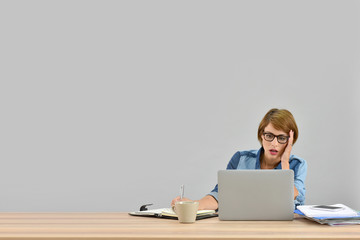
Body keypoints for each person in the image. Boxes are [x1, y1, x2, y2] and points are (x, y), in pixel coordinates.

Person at [171, 108, 307, 210]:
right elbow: (220, 195)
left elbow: (296, 198)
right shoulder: (240, 158)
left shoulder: (297, 165)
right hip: (241, 226)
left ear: (290, 141)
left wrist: (284, 163)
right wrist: (194, 205)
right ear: (261, 135)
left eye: (281, 138)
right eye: (269, 135)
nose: (274, 143)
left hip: (282, 230)